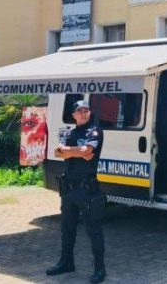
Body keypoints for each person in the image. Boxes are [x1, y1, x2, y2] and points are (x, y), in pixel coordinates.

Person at [46, 100, 106, 283]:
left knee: (94, 229)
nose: (83, 113)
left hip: (86, 189)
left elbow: (88, 151)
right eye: (79, 111)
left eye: (86, 110)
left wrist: (69, 151)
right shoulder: (69, 133)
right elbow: (57, 152)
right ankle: (66, 263)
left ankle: (99, 269)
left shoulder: (95, 131)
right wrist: (78, 151)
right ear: (73, 115)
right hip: (68, 190)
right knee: (67, 228)